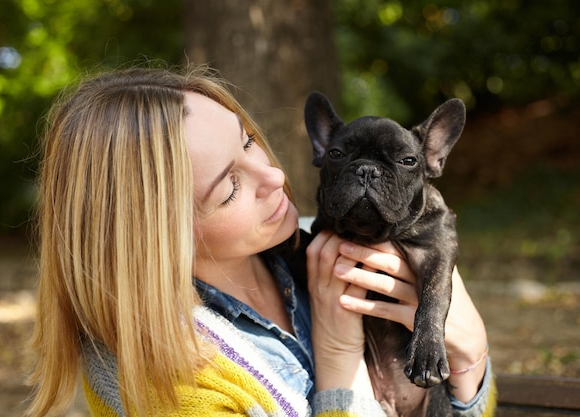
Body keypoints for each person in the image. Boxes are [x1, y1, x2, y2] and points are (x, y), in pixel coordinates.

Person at [26, 65, 496, 417]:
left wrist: (470, 362)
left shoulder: (316, 241)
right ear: (154, 235)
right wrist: (336, 359)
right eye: (229, 187)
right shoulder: (156, 383)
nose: (273, 175)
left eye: (249, 141)